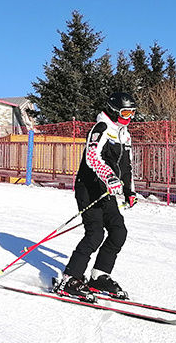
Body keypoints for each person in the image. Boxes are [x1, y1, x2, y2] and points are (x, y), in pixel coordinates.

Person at [53, 92, 137, 302]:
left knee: (119, 232)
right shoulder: (101, 129)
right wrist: (109, 177)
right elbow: (92, 158)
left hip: (107, 191)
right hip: (89, 188)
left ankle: (99, 276)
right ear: (114, 110)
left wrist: (129, 191)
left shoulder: (124, 134)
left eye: (132, 113)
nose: (129, 117)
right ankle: (70, 279)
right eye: (126, 112)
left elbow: (127, 166)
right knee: (95, 234)